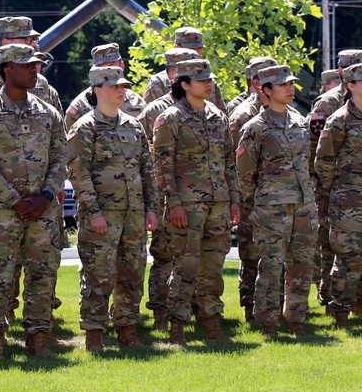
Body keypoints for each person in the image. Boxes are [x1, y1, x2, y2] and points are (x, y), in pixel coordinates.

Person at [0, 44, 66, 359]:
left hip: (43, 212)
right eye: (27, 65)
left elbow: (60, 158)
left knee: (43, 275)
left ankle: (38, 338)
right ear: (7, 69)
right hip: (3, 213)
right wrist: (15, 200)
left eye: (36, 64)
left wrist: (46, 196)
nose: (35, 69)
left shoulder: (48, 113)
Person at [67, 66, 159, 352]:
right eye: (114, 86)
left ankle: (128, 329)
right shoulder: (84, 128)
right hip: (102, 215)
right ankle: (94, 333)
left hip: (133, 214)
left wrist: (151, 209)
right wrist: (93, 213)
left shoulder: (133, 127)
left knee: (132, 273)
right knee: (98, 275)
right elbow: (78, 174)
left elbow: (147, 170)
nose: (122, 91)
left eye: (123, 86)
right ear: (97, 90)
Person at [152, 59, 240, 346]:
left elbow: (229, 164)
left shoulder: (218, 116)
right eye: (200, 79)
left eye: (209, 78)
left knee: (213, 267)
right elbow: (162, 166)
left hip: (218, 204)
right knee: (185, 267)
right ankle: (177, 325)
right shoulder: (170, 119)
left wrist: (234, 201)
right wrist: (174, 203)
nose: (208, 83)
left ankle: (212, 322)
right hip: (187, 206)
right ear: (184, 84)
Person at [236, 65, 317, 338]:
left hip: (303, 205)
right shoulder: (255, 128)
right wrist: (257, 204)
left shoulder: (300, 122)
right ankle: (267, 320)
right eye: (283, 85)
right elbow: (245, 174)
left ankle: (297, 319)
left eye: (291, 83)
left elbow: (308, 165)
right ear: (266, 90)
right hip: (272, 207)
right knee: (270, 265)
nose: (290, 88)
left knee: (302, 265)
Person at [315, 62, 362, 330]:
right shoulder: (338, 120)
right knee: (348, 260)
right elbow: (323, 161)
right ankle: (341, 313)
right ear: (350, 86)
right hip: (348, 203)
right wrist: (333, 194)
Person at [136, 47, 198, 331]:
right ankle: (160, 312)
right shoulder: (154, 111)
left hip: (195, 194)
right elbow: (142, 154)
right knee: (163, 254)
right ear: (173, 74)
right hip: (164, 194)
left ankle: (190, 308)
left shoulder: (204, 106)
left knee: (191, 254)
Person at [308, 49, 362, 309]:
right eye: (356, 67)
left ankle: (357, 296)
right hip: (331, 186)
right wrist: (325, 185)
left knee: (358, 245)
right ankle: (329, 294)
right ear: (343, 72)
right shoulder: (325, 104)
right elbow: (314, 146)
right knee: (330, 243)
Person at [226, 56, 278, 323]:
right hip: (250, 198)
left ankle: (273, 308)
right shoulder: (243, 114)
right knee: (250, 254)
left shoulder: (284, 110)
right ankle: (250, 309)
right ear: (257, 82)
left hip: (277, 198)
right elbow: (235, 161)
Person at [0, 16, 62, 112]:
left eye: (33, 39)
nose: (33, 44)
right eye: (26, 39)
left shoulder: (41, 83)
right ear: (6, 43)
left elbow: (57, 123)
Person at [142, 27, 226, 112]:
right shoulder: (159, 82)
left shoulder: (209, 81)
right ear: (176, 47)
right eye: (191, 48)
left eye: (199, 48)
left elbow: (221, 114)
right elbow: (150, 115)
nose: (196, 53)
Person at [65, 43, 146, 131]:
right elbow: (68, 141)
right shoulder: (80, 106)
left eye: (111, 66)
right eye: (101, 69)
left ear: (122, 66)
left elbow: (148, 138)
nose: (107, 72)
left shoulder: (137, 103)